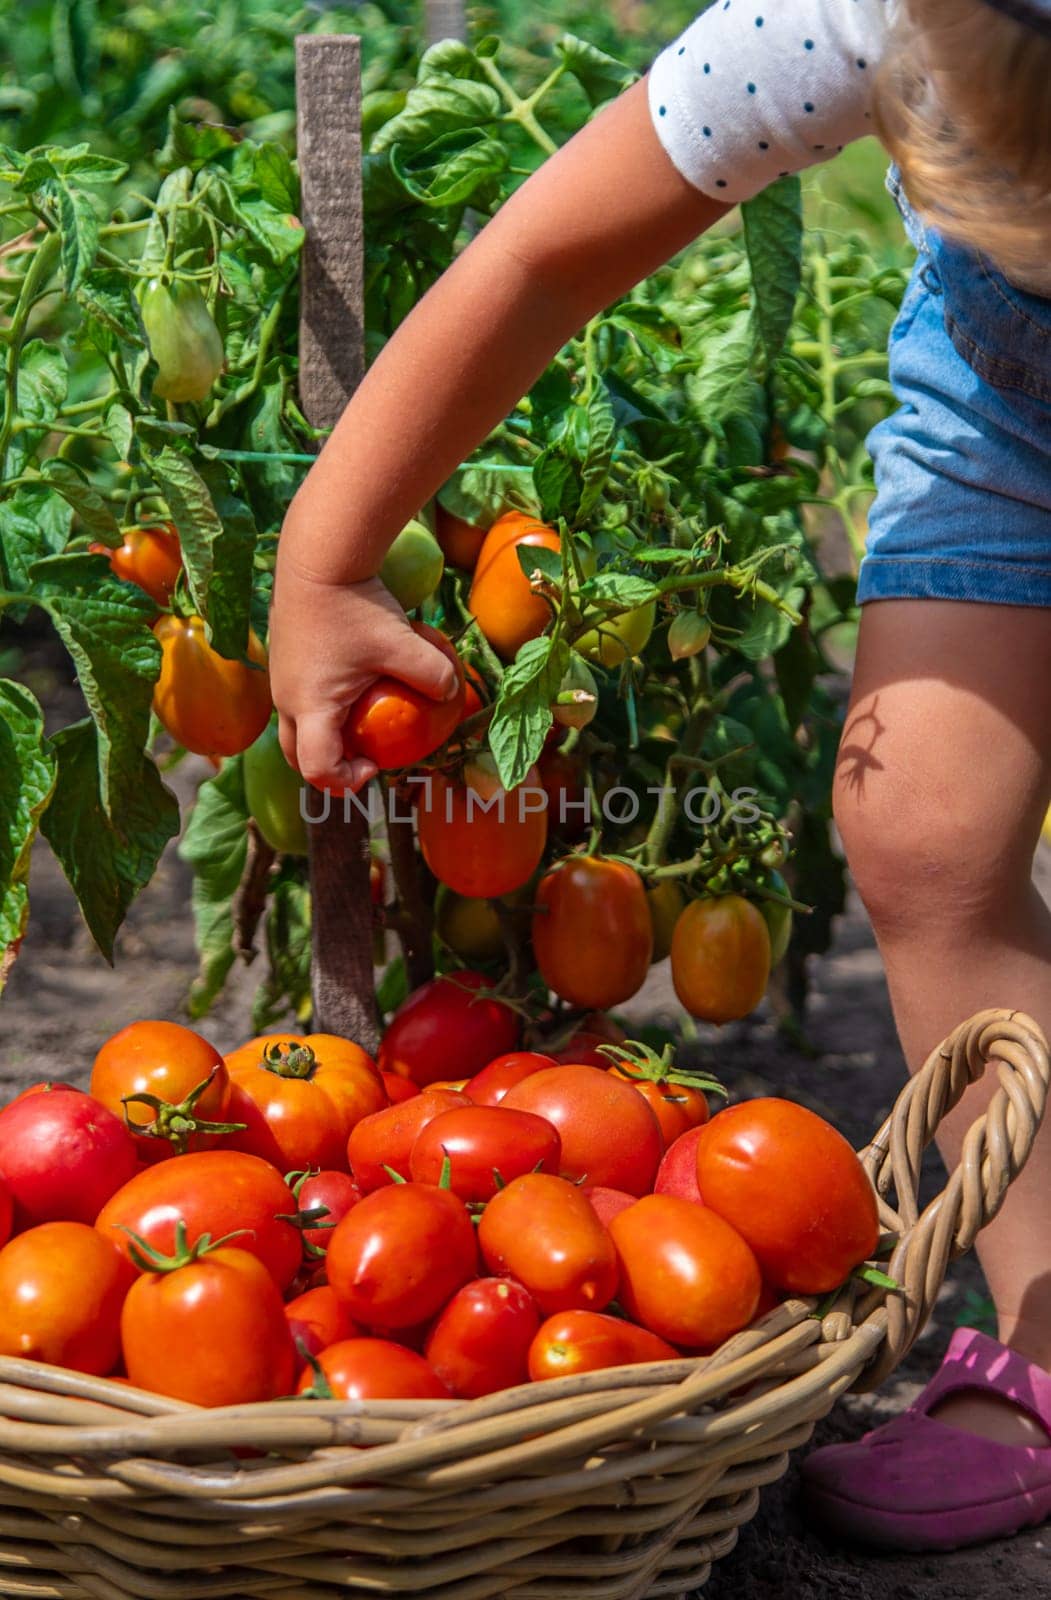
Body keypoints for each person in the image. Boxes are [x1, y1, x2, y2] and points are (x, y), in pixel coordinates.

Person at [270, 0, 1051, 1551]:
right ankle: (1049, 1332)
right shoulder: (842, 11)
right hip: (1007, 406)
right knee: (917, 829)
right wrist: (328, 555)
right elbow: (543, 253)